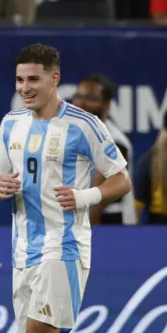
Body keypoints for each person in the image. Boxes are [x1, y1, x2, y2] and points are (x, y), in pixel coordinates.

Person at [0, 43, 137, 333]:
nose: (25, 88)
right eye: (19, 80)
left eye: (34, 79)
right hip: (22, 249)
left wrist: (85, 195)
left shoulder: (84, 125)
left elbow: (120, 179)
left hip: (64, 244)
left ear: (55, 79)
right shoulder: (10, 123)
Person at [72, 74, 136, 225]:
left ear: (106, 105)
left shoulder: (112, 141)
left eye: (91, 98)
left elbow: (96, 203)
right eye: (78, 96)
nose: (81, 103)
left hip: (108, 224)